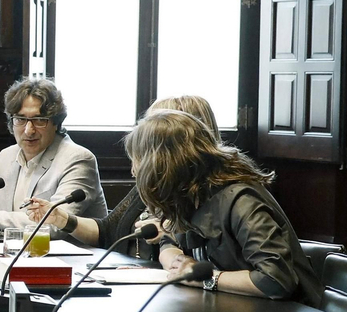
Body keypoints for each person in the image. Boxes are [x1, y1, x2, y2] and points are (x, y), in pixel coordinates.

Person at [125, 108, 322, 306]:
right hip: (236, 309)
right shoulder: (189, 195)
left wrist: (205, 278)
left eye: (138, 160)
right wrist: (179, 265)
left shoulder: (241, 201)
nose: (134, 171)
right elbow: (169, 241)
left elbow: (276, 279)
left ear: (164, 164)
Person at [29, 94, 220, 251]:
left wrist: (176, 236)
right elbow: (107, 231)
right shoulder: (150, 183)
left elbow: (213, 251)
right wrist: (62, 219)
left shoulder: (212, 194)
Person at [0, 77, 105, 231]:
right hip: (12, 247)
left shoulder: (78, 159)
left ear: (56, 123)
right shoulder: (6, 156)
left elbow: (54, 224)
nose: (29, 130)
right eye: (20, 119)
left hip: (65, 249)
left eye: (39, 120)